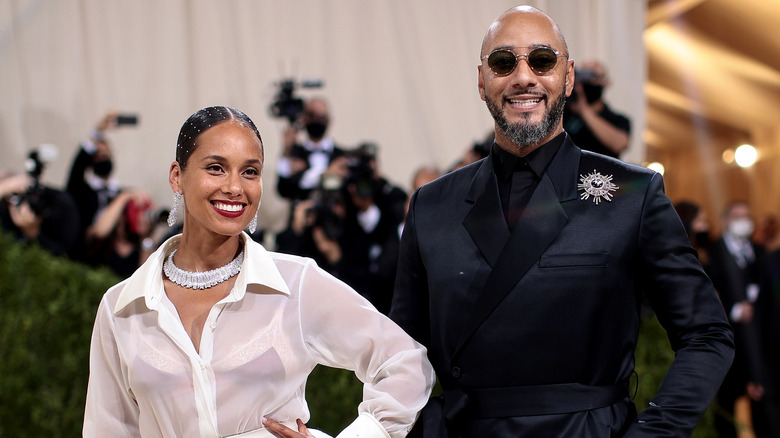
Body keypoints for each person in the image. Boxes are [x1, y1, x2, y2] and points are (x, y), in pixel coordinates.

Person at [389, 6, 734, 437]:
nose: (523, 77)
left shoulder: (633, 195)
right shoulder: (432, 205)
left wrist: (654, 434)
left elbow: (706, 335)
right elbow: (398, 354)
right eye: (503, 62)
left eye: (542, 60)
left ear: (568, 77)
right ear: (482, 82)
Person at [84, 106, 434, 437]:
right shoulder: (121, 307)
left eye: (250, 171)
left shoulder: (294, 285)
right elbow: (107, 429)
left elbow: (405, 363)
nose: (235, 187)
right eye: (216, 168)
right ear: (177, 177)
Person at [707, 201, 780, 437]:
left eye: (747, 216)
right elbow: (706, 297)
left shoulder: (760, 252)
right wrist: (733, 311)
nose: (744, 222)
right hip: (730, 342)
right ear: (726, 221)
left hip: (759, 343)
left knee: (766, 405)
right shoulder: (712, 254)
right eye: (738, 216)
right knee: (727, 406)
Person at [276, 97, 347, 203]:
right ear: (304, 119)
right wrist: (286, 151)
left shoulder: (341, 156)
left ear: (328, 120)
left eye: (321, 116)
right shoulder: (295, 154)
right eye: (312, 116)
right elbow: (283, 190)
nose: (317, 120)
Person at [563, 60, 630, 158]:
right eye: (584, 76)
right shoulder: (565, 114)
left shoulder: (617, 119)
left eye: (594, 76)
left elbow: (619, 144)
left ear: (606, 82)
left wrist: (584, 109)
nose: (589, 81)